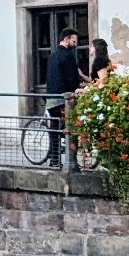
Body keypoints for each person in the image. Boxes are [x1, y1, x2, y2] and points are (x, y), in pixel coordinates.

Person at [44, 27, 85, 165]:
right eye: (74, 41)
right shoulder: (68, 56)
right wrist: (76, 89)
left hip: (51, 98)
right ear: (67, 39)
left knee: (54, 130)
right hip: (63, 100)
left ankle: (54, 160)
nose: (75, 44)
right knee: (71, 129)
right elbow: (71, 78)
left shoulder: (53, 55)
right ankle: (71, 163)